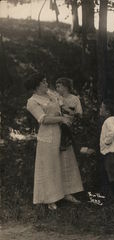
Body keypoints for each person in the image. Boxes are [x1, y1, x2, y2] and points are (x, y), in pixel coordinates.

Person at [26, 73, 83, 210]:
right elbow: (43, 119)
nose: (47, 84)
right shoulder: (32, 101)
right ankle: (50, 199)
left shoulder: (51, 94)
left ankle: (67, 193)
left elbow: (63, 106)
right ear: (37, 85)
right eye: (44, 82)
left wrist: (70, 114)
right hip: (47, 137)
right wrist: (61, 119)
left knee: (65, 162)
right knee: (50, 167)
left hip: (61, 133)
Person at [55, 77, 83, 153]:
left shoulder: (75, 99)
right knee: (63, 125)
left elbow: (79, 113)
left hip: (71, 122)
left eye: (58, 86)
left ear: (65, 87)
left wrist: (71, 113)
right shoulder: (57, 98)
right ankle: (75, 146)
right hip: (59, 121)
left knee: (67, 126)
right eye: (56, 87)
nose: (57, 89)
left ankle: (75, 147)